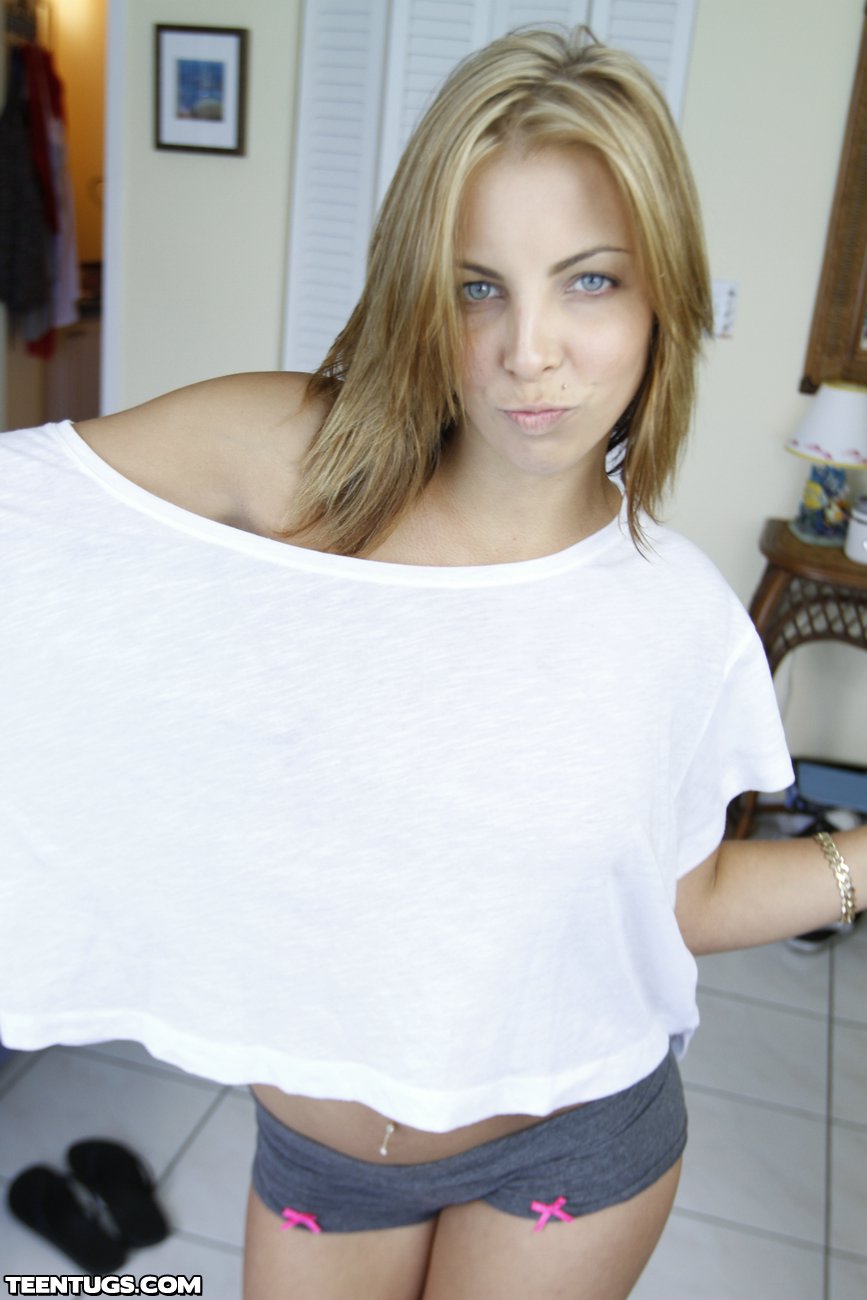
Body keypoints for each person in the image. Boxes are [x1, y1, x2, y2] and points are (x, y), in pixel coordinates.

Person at [0, 24, 863, 1300]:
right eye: (476, 287)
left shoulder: (679, 618)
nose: (529, 351)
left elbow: (678, 902)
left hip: (569, 1150)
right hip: (320, 1158)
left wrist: (857, 864)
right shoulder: (287, 467)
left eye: (589, 280)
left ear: (662, 298)